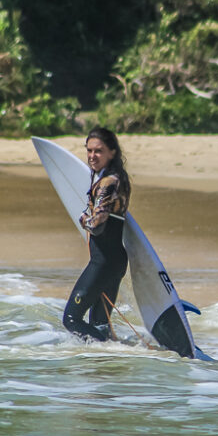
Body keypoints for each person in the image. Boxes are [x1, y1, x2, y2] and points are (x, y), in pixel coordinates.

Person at [63, 127, 130, 342]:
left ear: (112, 151)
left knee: (72, 319)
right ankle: (104, 368)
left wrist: (83, 218)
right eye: (89, 150)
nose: (92, 156)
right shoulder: (115, 178)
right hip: (114, 261)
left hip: (104, 263)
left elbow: (97, 225)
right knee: (99, 326)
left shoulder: (109, 182)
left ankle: (113, 352)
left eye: (98, 151)